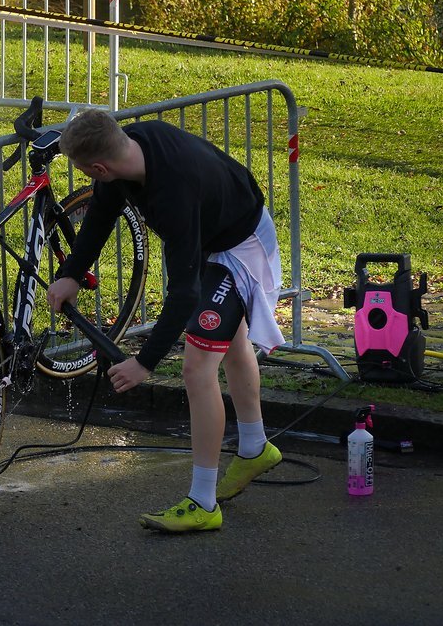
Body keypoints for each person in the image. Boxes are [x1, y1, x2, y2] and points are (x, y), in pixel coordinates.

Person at [47, 108, 284, 533]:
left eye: (84, 171)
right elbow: (101, 215)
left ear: (98, 167)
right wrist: (71, 275)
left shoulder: (172, 193)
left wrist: (145, 362)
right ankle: (254, 448)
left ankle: (203, 503)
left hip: (242, 246)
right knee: (230, 342)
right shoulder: (132, 146)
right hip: (217, 232)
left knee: (197, 367)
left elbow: (184, 293)